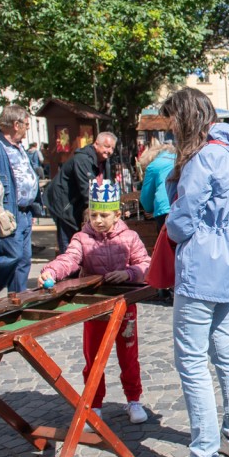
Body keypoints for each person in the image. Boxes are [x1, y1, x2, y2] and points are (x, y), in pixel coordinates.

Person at [156, 87, 229, 457]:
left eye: (172, 121)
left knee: (192, 359)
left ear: (185, 118)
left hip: (202, 264)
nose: (169, 129)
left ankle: (203, 456)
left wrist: (176, 232)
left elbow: (181, 219)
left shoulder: (202, 157)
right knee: (225, 349)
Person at [39, 178, 151, 425]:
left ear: (117, 215)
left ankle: (134, 399)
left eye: (104, 215)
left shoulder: (130, 237)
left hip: (124, 305)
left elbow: (145, 264)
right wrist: (52, 271)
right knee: (94, 358)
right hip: (95, 307)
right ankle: (95, 403)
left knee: (129, 355)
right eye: (93, 215)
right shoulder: (81, 238)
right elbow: (69, 259)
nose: (98, 220)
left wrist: (129, 273)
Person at [0, 105, 39, 297]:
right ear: (16, 124)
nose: (27, 128)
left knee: (24, 259)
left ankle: (17, 298)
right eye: (26, 124)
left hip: (25, 211)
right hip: (8, 212)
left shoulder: (18, 146)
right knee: (11, 256)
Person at [46, 131, 117, 253]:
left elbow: (107, 185)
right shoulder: (82, 159)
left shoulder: (104, 161)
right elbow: (88, 190)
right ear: (96, 144)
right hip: (65, 205)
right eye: (106, 146)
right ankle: (68, 264)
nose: (109, 151)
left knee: (81, 242)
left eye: (112, 148)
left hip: (77, 204)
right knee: (69, 244)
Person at [139, 143, 177, 232]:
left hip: (164, 209)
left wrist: (150, 209)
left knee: (165, 239)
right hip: (182, 205)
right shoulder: (180, 159)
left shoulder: (153, 166)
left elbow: (146, 201)